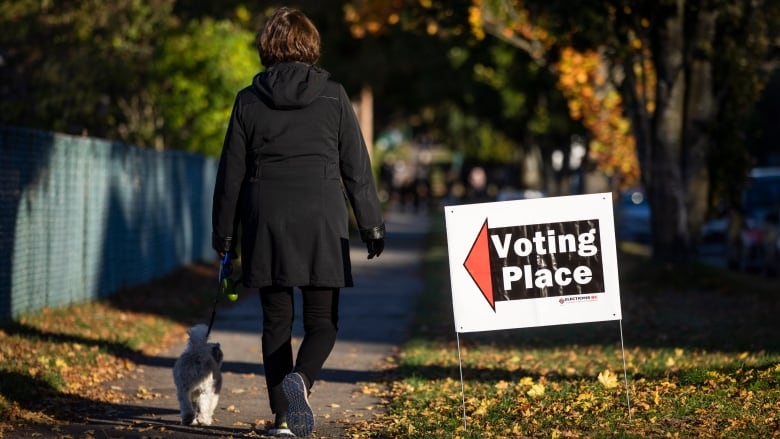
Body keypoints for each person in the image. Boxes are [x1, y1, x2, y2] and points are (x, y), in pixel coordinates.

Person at [211, 7, 385, 437]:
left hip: (265, 219)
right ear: (311, 45)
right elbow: (355, 167)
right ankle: (301, 380)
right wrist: (371, 224)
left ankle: (283, 419)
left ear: (267, 47)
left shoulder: (248, 100)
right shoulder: (333, 95)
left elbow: (230, 174)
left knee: (276, 323)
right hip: (322, 219)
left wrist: (224, 236)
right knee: (323, 322)